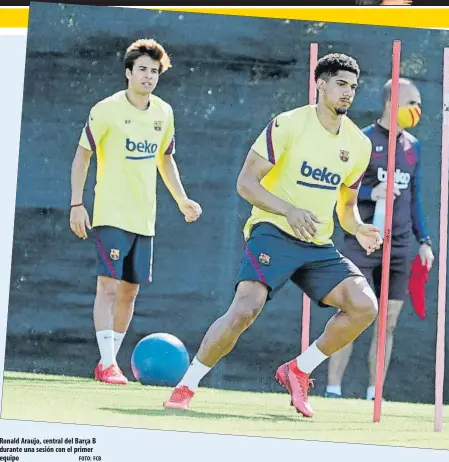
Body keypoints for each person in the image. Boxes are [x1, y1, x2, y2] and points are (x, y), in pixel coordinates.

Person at [163, 52, 382, 418]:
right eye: (341, 84)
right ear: (320, 84)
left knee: (365, 307)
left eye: (353, 87)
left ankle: (298, 369)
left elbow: (345, 208)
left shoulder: (358, 145)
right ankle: (187, 385)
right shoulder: (288, 125)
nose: (348, 93)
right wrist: (288, 210)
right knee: (244, 309)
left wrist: (358, 228)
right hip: (273, 231)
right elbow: (246, 183)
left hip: (316, 243)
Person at [69, 38, 202, 386]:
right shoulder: (106, 109)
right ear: (128, 72)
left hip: (145, 218)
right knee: (108, 288)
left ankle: (108, 363)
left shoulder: (164, 112)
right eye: (142, 69)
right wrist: (76, 204)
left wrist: (182, 200)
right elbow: (83, 156)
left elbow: (165, 159)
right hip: (111, 213)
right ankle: (109, 363)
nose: (148, 76)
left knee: (130, 290)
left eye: (154, 71)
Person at [325, 77, 435, 401]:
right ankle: (332, 390)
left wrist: (424, 240)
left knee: (387, 323)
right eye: (412, 103)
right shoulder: (361, 141)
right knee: (350, 314)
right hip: (362, 240)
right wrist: (370, 194)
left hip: (399, 246)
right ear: (391, 103)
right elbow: (339, 192)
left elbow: (414, 198)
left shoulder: (413, 147)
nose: (417, 110)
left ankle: (375, 394)